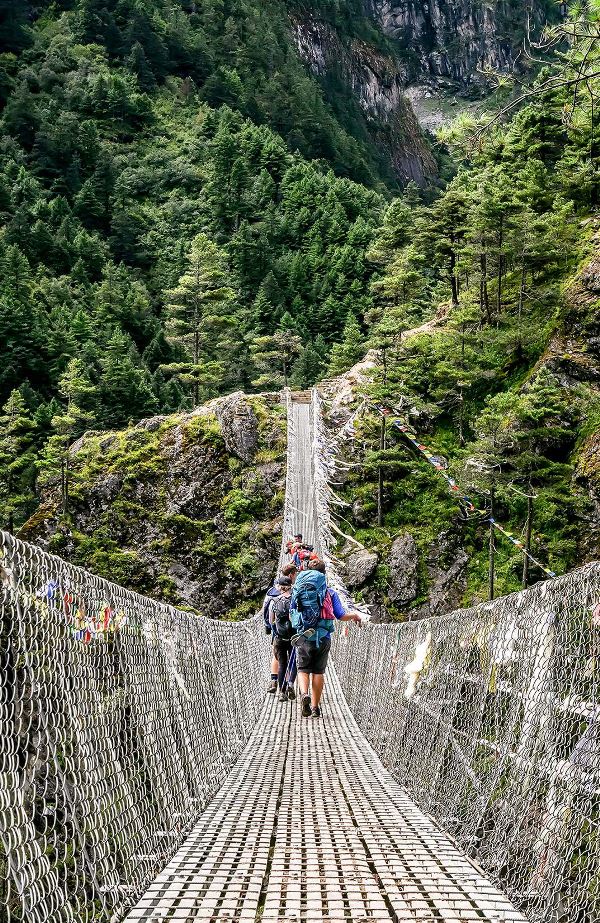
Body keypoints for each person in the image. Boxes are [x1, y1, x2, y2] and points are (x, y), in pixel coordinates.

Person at [292, 559, 362, 718]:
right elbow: (341, 615)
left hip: (304, 637)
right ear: (324, 574)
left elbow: (293, 613)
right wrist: (355, 615)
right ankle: (315, 708)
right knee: (318, 672)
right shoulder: (330, 593)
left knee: (303, 669)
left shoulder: (299, 589)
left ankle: (304, 694)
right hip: (323, 637)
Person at [263, 563, 297, 693]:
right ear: (291, 575)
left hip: (277, 630)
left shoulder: (271, 592)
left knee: (277, 656)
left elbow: (266, 609)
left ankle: (274, 681)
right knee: (292, 658)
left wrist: (268, 627)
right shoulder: (294, 593)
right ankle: (289, 683)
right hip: (292, 631)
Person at [269, 575, 297, 701]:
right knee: (293, 662)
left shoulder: (274, 601)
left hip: (280, 638)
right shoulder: (295, 600)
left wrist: (275, 631)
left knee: (282, 664)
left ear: (279, 587)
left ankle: (282, 692)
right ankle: (290, 683)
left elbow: (271, 621)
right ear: (291, 586)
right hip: (294, 637)